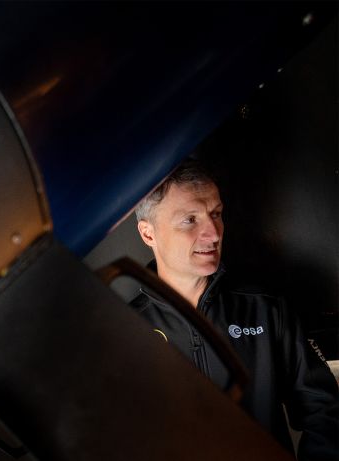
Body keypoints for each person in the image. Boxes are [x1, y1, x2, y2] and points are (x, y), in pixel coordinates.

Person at [130, 159, 339, 460]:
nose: (213, 234)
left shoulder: (264, 309)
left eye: (216, 214)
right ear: (148, 234)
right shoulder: (126, 328)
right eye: (190, 219)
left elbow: (324, 411)